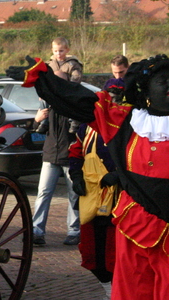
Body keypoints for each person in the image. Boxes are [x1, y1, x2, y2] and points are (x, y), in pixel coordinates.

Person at [7, 54, 169, 300]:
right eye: (162, 80)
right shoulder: (126, 122)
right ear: (145, 91)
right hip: (134, 231)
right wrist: (42, 76)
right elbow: (80, 101)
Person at [68, 78, 125, 300]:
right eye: (111, 94)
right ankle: (108, 289)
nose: (114, 99)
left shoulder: (130, 125)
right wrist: (75, 176)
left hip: (121, 202)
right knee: (94, 252)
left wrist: (119, 176)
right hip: (92, 198)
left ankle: (117, 290)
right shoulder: (88, 127)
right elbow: (75, 152)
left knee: (117, 252)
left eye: (119, 95)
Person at [31, 70, 80, 246]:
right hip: (50, 154)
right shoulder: (47, 102)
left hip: (70, 155)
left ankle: (74, 230)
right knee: (43, 193)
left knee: (74, 194)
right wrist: (37, 120)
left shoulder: (73, 103)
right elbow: (37, 129)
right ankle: (37, 231)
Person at [37, 37, 82, 134]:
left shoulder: (73, 64)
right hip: (53, 92)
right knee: (43, 97)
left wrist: (68, 88)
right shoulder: (49, 64)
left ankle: (73, 122)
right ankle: (45, 122)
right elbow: (44, 79)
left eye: (61, 51)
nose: (58, 53)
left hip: (68, 90)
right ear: (52, 51)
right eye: (56, 51)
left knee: (73, 100)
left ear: (67, 50)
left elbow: (76, 78)